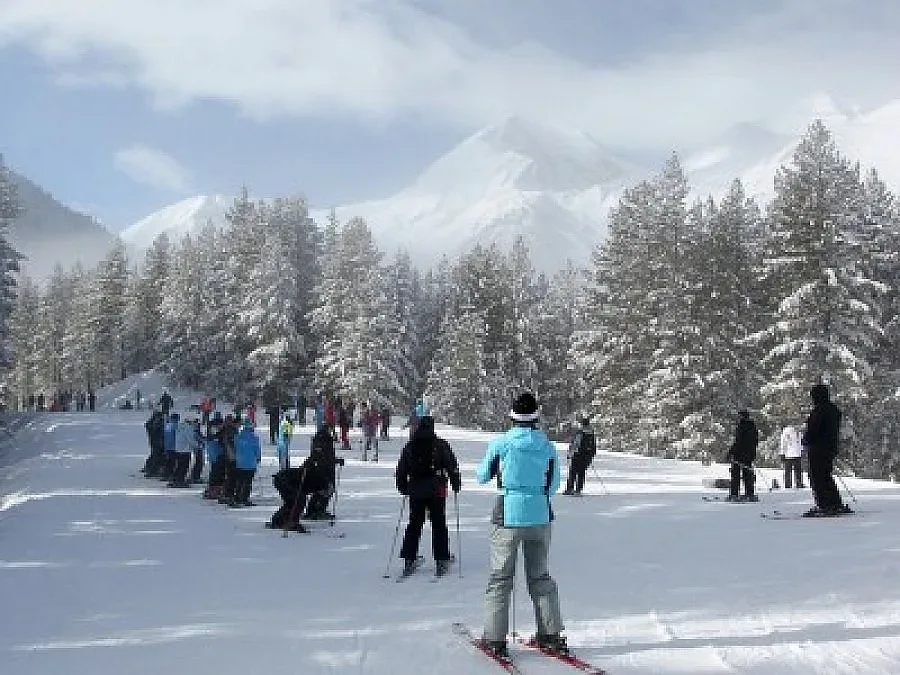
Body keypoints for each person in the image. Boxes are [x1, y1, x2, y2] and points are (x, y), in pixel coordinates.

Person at [475, 392, 566, 658]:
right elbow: (553, 485)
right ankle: (550, 634)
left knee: (501, 577)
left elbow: (482, 475)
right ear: (536, 416)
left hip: (508, 514)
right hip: (540, 515)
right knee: (540, 576)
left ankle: (494, 638)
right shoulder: (547, 446)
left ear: (512, 416)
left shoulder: (501, 443)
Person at [395, 415, 461, 577]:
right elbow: (451, 465)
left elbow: (401, 470)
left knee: (414, 523)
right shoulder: (440, 444)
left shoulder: (410, 445)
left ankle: (409, 559)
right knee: (438, 523)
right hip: (436, 488)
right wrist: (456, 482)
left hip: (416, 488)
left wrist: (403, 487)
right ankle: (442, 559)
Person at [267, 425, 344, 531]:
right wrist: (308, 465)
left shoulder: (319, 480)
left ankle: (279, 520)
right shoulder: (318, 481)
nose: (324, 495)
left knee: (293, 501)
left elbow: (315, 459)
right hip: (285, 479)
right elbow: (316, 460)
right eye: (325, 493)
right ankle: (291, 522)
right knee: (299, 499)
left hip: (284, 479)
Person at [802, 384, 850, 516]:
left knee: (817, 477)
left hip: (818, 447)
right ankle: (835, 503)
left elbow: (813, 429)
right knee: (826, 475)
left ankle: (824, 505)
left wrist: (805, 439)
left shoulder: (820, 410)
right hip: (830, 447)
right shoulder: (833, 409)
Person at [727, 409, 758, 502]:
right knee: (748, 474)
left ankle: (734, 494)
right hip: (749, 454)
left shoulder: (742, 426)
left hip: (739, 454)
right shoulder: (753, 427)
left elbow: (738, 441)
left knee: (735, 475)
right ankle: (750, 494)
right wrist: (752, 453)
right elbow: (755, 441)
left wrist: (730, 452)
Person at [230, 418, 261, 507]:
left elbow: (235, 448)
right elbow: (257, 450)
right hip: (250, 463)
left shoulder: (238, 437)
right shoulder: (254, 438)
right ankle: (244, 498)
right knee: (248, 482)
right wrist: (258, 458)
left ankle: (237, 497)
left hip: (240, 463)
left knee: (239, 481)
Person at [563, 417, 596, 496]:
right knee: (581, 473)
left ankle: (570, 489)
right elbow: (594, 447)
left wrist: (569, 454)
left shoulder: (580, 433)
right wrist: (590, 456)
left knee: (573, 472)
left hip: (577, 455)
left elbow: (575, 444)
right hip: (586, 456)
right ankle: (578, 490)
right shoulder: (591, 434)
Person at [779, 423, 805, 489]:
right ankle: (798, 483)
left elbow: (783, 443)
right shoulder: (796, 432)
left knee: (788, 471)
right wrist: (801, 451)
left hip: (789, 454)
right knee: (797, 470)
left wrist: (782, 453)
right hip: (795, 454)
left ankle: (788, 484)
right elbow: (800, 442)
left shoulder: (786, 432)